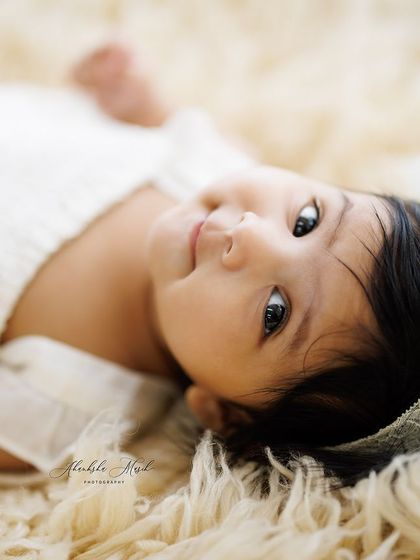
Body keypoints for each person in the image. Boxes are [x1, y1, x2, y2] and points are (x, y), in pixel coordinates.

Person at [0, 44, 418, 488]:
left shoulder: (72, 397)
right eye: (306, 220)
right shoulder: (213, 167)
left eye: (274, 313)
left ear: (224, 413)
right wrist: (133, 98)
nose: (251, 236)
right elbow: (166, 123)